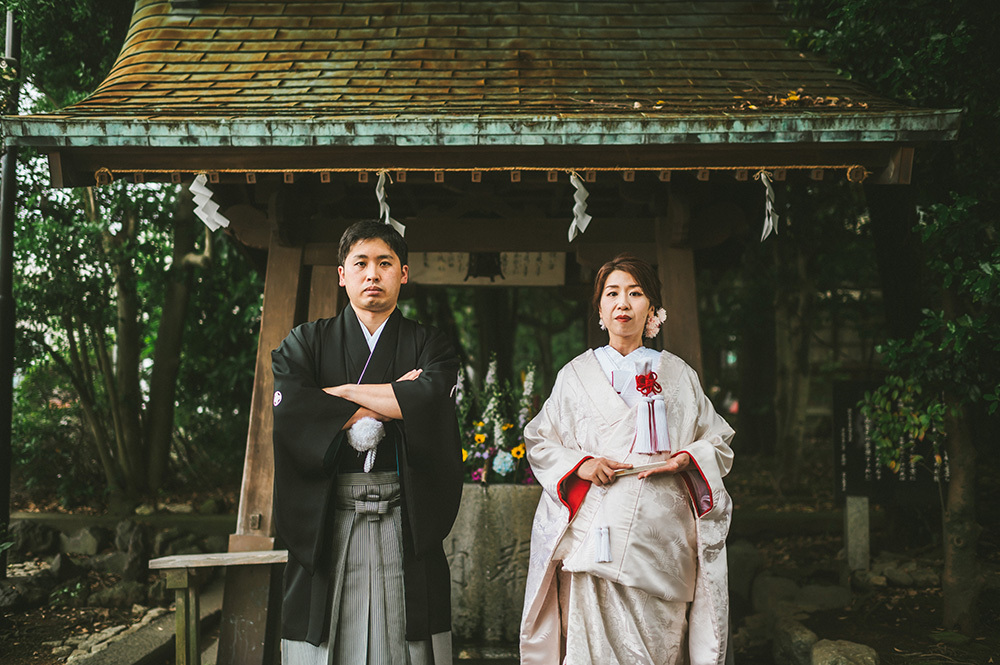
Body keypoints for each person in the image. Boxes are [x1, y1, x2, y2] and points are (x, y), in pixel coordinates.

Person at [519, 254, 735, 665]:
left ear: (652, 308)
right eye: (612, 293)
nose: (623, 303)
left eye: (635, 294)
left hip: (660, 539)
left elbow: (719, 440)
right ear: (599, 308)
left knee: (658, 646)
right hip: (593, 532)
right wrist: (580, 464)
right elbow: (540, 440)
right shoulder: (575, 375)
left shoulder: (678, 375)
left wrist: (687, 458)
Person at [271, 220, 463, 665]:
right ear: (342, 274)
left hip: (404, 510)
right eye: (360, 263)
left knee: (404, 636)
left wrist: (337, 395)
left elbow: (430, 401)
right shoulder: (305, 342)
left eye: (384, 263)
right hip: (329, 513)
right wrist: (397, 394)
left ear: (404, 273)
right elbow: (295, 411)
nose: (372, 274)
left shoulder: (429, 344)